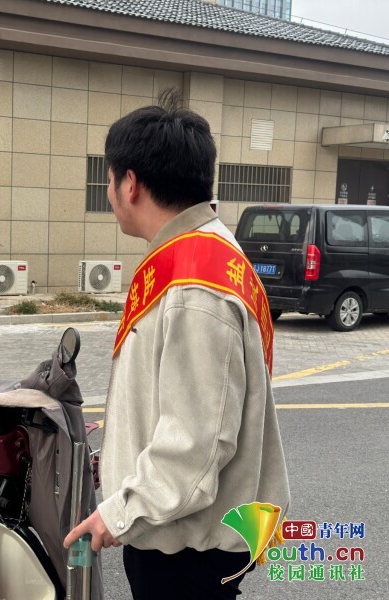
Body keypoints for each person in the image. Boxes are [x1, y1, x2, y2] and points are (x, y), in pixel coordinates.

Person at [64, 91, 290, 598]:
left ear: (130, 184)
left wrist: (118, 513)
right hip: (185, 532)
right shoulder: (197, 255)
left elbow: (197, 444)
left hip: (186, 547)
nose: (108, 191)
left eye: (108, 179)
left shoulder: (195, 288)